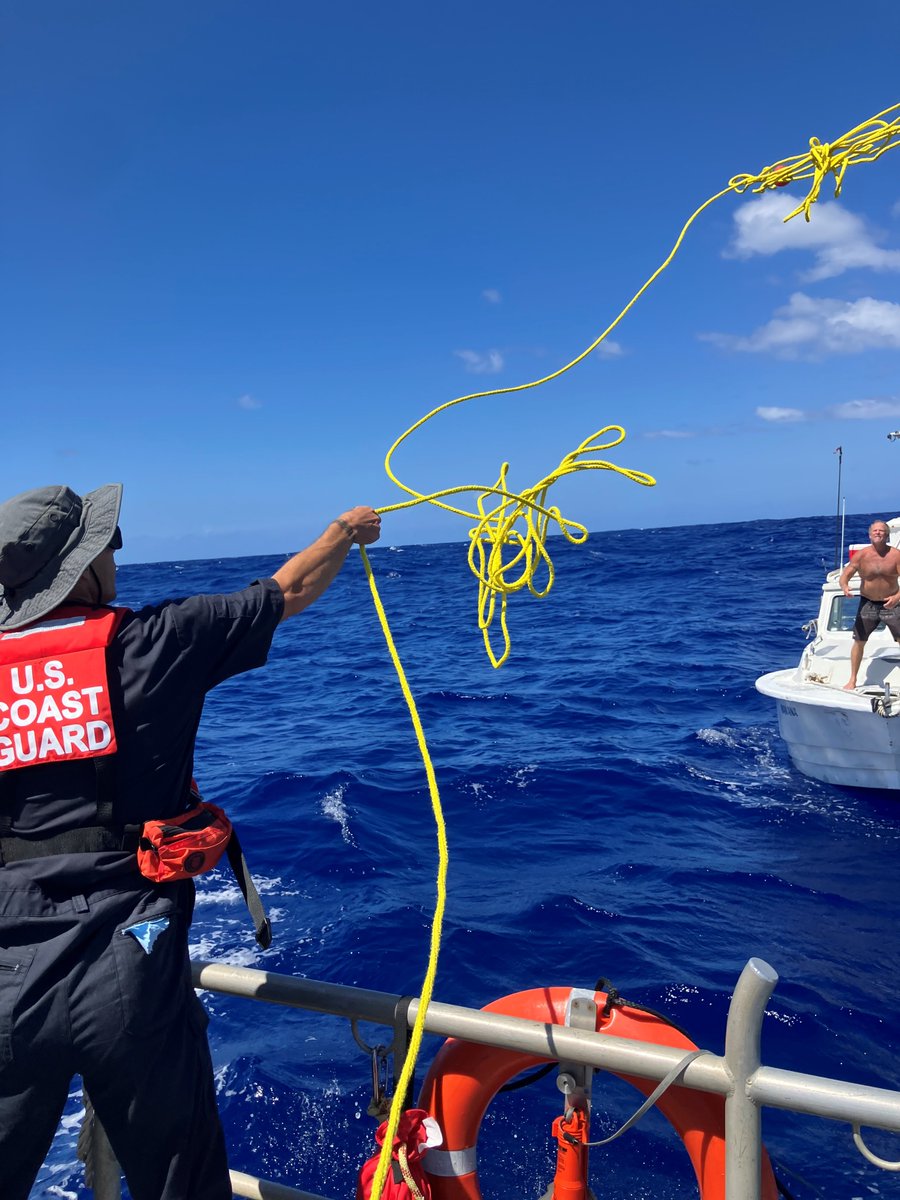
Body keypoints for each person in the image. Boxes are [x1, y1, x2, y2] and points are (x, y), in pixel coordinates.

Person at [0, 483, 381, 1200]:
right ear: (81, 570)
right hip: (130, 969)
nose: (115, 556)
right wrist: (344, 530)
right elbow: (288, 590)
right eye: (106, 545)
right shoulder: (157, 641)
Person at [838, 519, 900, 690]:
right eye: (875, 531)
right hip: (868, 604)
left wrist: (897, 597)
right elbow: (845, 575)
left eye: (882, 531)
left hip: (891, 603)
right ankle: (852, 679)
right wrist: (844, 586)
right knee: (859, 640)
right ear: (870, 535)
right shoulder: (862, 555)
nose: (878, 533)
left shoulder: (896, 555)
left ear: (887, 535)